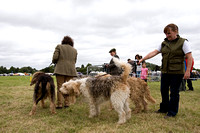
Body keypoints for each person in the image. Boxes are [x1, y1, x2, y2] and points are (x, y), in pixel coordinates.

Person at [139, 23, 193, 118]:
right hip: (165, 72)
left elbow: (189, 57)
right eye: (165, 34)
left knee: (174, 92)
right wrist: (143, 59)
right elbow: (154, 52)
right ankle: (164, 108)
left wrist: (188, 71)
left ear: (176, 31)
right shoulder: (164, 43)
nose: (167, 36)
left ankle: (172, 112)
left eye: (169, 33)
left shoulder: (183, 42)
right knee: (163, 90)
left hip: (177, 72)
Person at [52, 36, 78, 109]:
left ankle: (59, 104)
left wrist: (54, 62)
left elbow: (55, 57)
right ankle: (67, 103)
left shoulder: (59, 46)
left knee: (60, 87)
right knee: (68, 88)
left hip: (60, 69)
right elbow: (75, 61)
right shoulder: (74, 50)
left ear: (63, 41)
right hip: (71, 70)